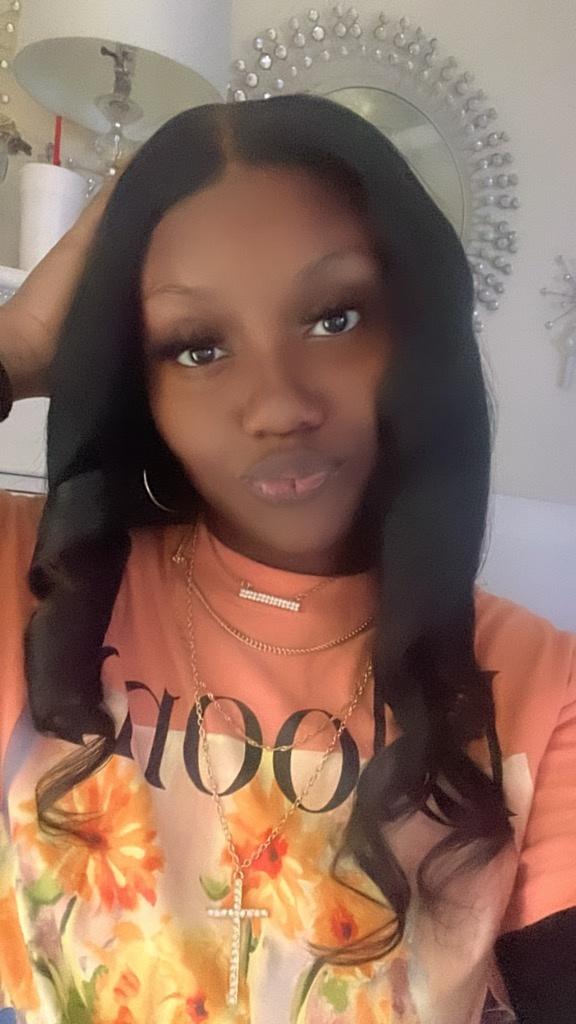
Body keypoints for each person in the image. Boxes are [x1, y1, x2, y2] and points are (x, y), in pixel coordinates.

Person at [0, 94, 573, 1024]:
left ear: (415, 328)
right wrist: (19, 344)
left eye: (335, 319)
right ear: (136, 374)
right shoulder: (36, 581)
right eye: (197, 347)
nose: (277, 406)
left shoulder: (540, 683)